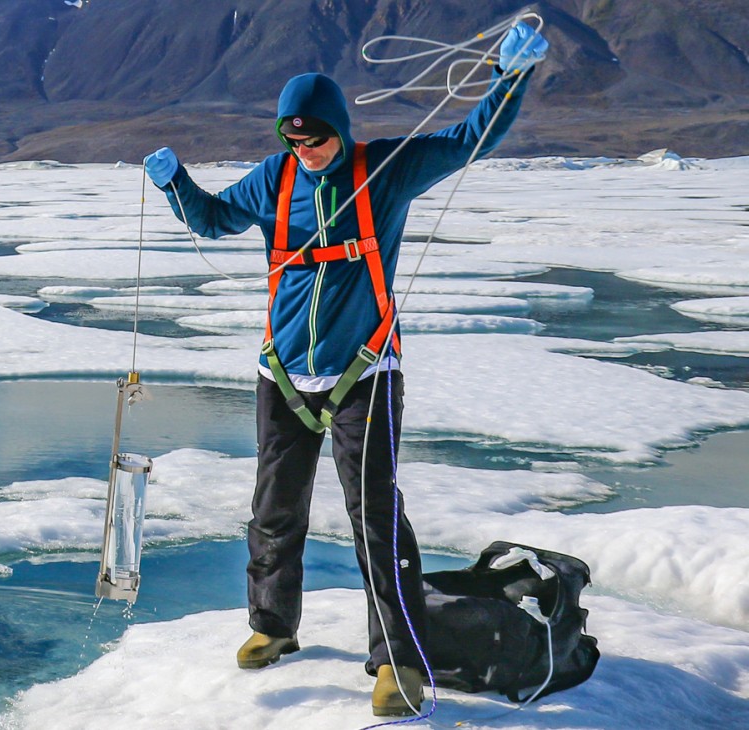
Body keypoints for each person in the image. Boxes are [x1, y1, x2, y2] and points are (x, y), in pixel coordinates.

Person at [140, 22, 548, 717]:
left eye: (317, 138)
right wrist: (177, 185)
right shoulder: (274, 179)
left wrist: (508, 78)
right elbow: (213, 221)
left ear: (339, 128)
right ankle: (272, 628)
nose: (307, 151)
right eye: (293, 140)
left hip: (366, 372)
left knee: (375, 520)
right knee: (275, 509)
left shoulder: (384, 170)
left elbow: (468, 138)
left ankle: (397, 661)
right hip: (282, 373)